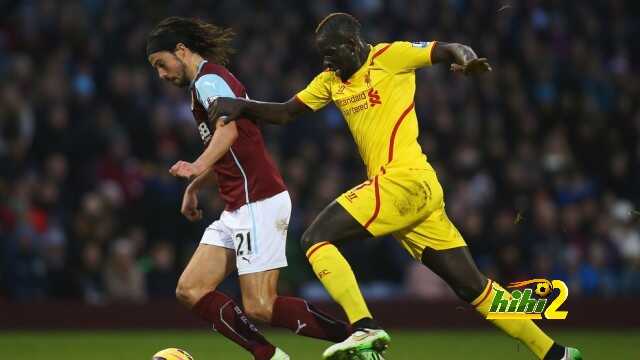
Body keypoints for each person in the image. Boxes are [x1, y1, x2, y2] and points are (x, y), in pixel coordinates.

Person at [208, 12, 583, 360]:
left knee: (315, 239)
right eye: (322, 57)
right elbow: (288, 111)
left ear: (353, 44)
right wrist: (243, 106)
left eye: (331, 54)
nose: (327, 63)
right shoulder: (331, 81)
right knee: (475, 289)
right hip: (409, 194)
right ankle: (557, 354)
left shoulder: (392, 56)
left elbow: (448, 48)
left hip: (404, 180)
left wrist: (466, 60)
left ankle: (364, 326)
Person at [146, 17, 353, 360]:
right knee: (191, 289)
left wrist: (196, 166)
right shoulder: (209, 82)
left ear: (181, 51)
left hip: (258, 199)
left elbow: (229, 135)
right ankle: (269, 355)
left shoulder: (208, 83)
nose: (161, 74)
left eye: (161, 64)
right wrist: (196, 185)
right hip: (237, 204)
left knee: (260, 305)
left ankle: (355, 338)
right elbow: (231, 151)